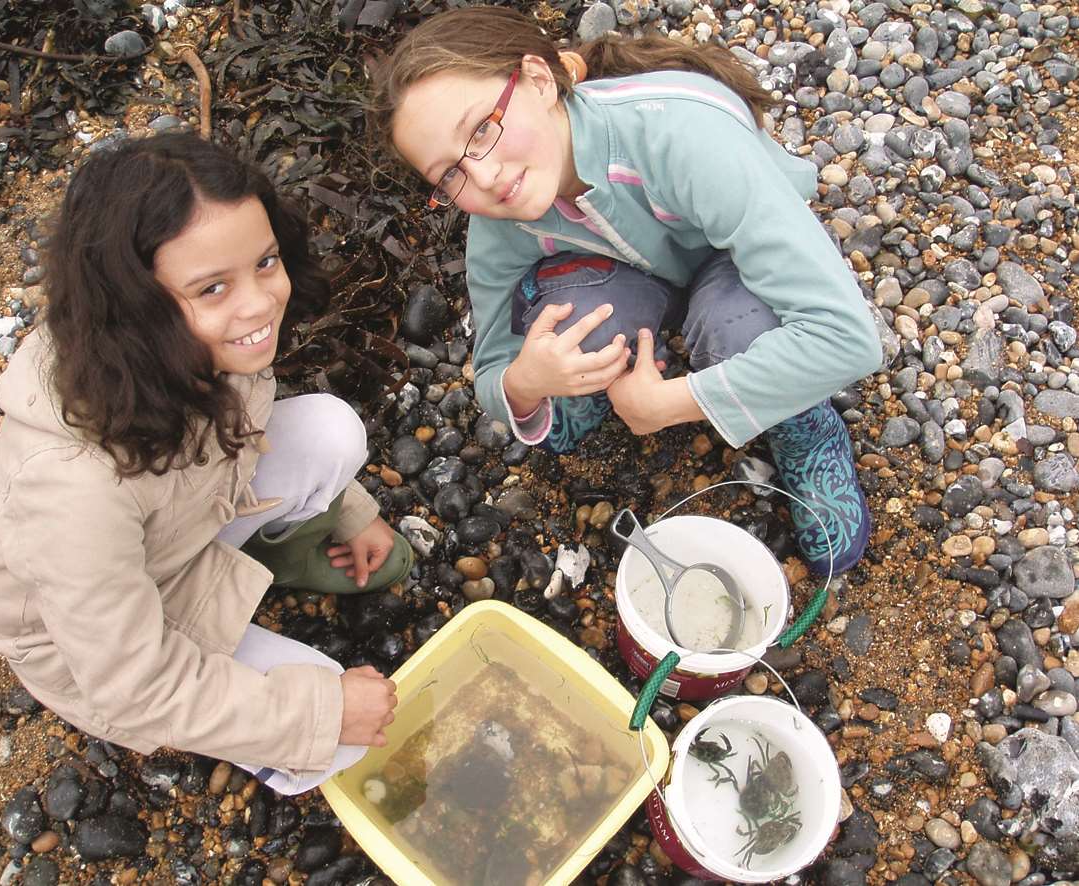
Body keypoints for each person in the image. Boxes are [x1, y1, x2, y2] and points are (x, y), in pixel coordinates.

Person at [0, 132, 411, 795]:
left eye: (265, 262)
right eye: (212, 288)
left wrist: (350, 511)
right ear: (135, 305)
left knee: (331, 431)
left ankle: (275, 557)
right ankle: (252, 605)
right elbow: (133, 686)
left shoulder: (192, 349)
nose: (258, 304)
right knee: (334, 747)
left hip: (176, 533)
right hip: (96, 652)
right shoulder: (70, 490)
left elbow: (247, 438)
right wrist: (323, 712)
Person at [370, 7, 885, 574]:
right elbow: (490, 366)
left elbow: (847, 338)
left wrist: (672, 403)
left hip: (734, 262)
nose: (484, 176)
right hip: (638, 274)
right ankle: (599, 385)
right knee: (561, 334)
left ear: (539, 80)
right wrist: (526, 382)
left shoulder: (682, 136)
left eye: (482, 129)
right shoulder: (501, 220)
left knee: (745, 326)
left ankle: (806, 431)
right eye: (449, 174)